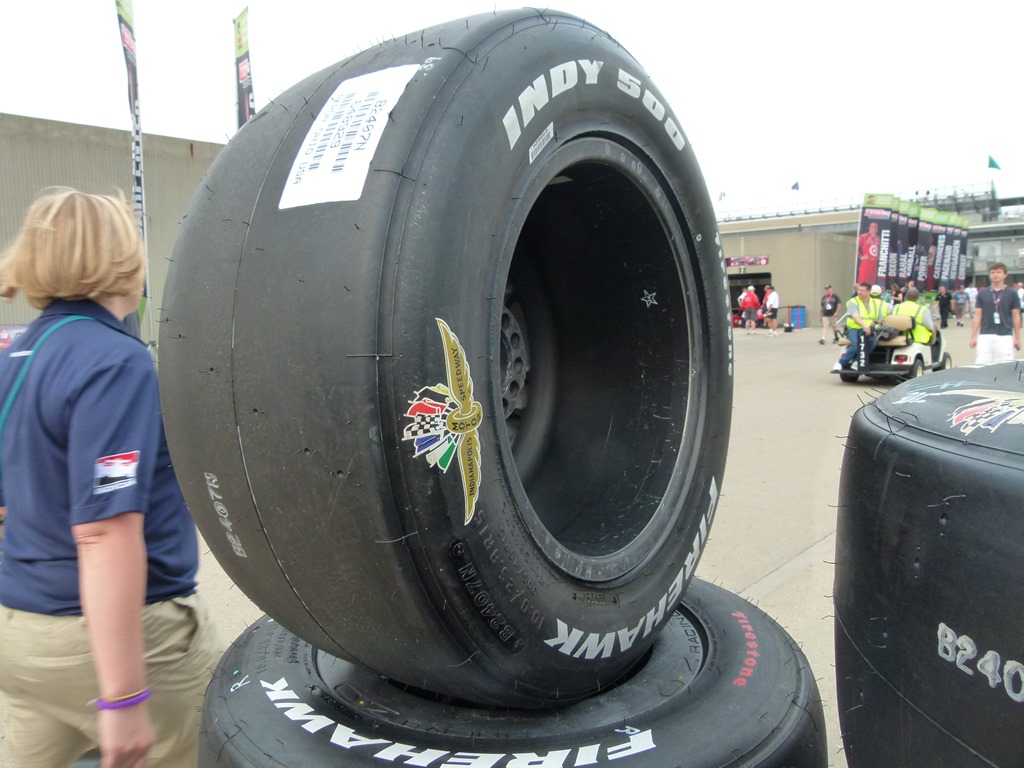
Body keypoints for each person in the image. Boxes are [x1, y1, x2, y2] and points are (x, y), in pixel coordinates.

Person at [0, 189, 218, 766]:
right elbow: (103, 531)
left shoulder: (16, 358)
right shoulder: (115, 362)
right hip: (123, 638)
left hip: (23, 635)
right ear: (122, 258)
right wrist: (123, 696)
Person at [970, 262, 1022, 365]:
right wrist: (973, 336)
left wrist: (1017, 338)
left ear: (1005, 275)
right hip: (985, 335)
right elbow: (978, 315)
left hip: (1005, 335)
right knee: (982, 365)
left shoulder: (1012, 294)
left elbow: (1016, 316)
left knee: (1005, 366)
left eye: (998, 272)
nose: (995, 275)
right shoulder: (982, 293)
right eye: (993, 272)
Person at [832, 282, 888, 372]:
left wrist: (878, 322)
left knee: (873, 342)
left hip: (867, 329)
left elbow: (878, 317)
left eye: (862, 290)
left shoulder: (874, 303)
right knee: (856, 344)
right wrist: (864, 325)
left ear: (869, 292)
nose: (859, 292)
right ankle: (840, 364)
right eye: (858, 290)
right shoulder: (853, 301)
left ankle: (857, 362)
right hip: (854, 328)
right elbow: (855, 316)